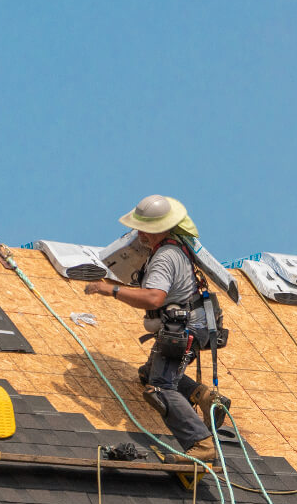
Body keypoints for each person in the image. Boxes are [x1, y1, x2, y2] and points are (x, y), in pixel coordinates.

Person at [85, 194, 227, 463]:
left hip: (183, 330)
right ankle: (204, 396)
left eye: (145, 227)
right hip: (192, 324)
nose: (139, 233)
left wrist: (110, 290)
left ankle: (201, 444)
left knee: (160, 388)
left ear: (160, 228)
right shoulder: (176, 247)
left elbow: (154, 298)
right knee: (148, 374)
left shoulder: (164, 257)